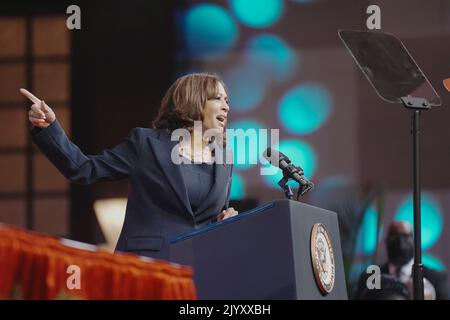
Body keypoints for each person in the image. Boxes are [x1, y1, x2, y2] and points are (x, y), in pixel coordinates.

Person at [20, 73, 238, 260]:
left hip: (202, 267)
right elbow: (83, 169)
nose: (226, 107)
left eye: (227, 100)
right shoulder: (146, 144)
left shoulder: (224, 159)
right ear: (195, 101)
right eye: (217, 99)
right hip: (148, 262)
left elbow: (211, 216)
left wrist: (224, 222)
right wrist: (50, 128)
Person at [354, 221, 448, 300]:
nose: (401, 243)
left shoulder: (435, 278)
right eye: (394, 237)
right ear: (386, 241)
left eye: (406, 237)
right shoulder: (371, 277)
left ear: (414, 241)